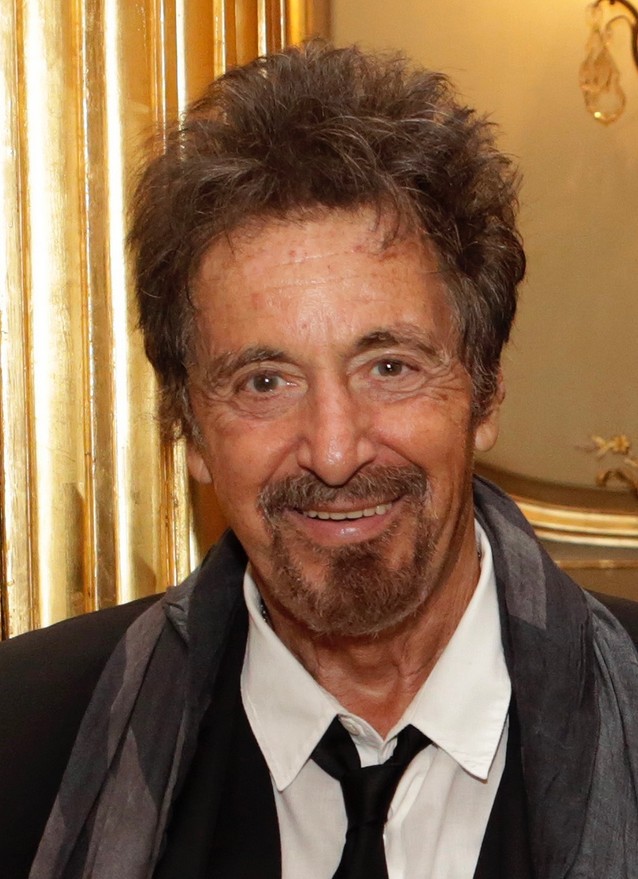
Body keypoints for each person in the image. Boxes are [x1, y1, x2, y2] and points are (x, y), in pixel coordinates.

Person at [1, 40, 638, 879]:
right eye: (265, 381)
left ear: (484, 393)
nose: (335, 451)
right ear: (191, 428)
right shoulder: (25, 740)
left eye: (389, 367)